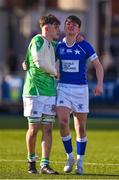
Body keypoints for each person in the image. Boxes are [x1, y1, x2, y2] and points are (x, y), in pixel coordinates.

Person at [56, 15, 104, 175]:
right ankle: (69, 157)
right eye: (68, 23)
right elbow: (46, 60)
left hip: (80, 90)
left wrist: (99, 84)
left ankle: (80, 162)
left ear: (78, 29)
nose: (70, 26)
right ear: (65, 27)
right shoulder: (58, 46)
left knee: (81, 128)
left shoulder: (85, 45)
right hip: (63, 88)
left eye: (74, 25)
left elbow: (98, 66)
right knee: (63, 122)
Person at [22, 14, 60, 174]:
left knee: (48, 129)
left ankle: (45, 165)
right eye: (56, 27)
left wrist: (78, 38)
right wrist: (54, 72)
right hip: (35, 91)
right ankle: (31, 162)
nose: (59, 30)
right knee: (33, 129)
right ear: (47, 28)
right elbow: (39, 62)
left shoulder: (52, 44)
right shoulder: (37, 40)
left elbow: (28, 62)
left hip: (49, 91)